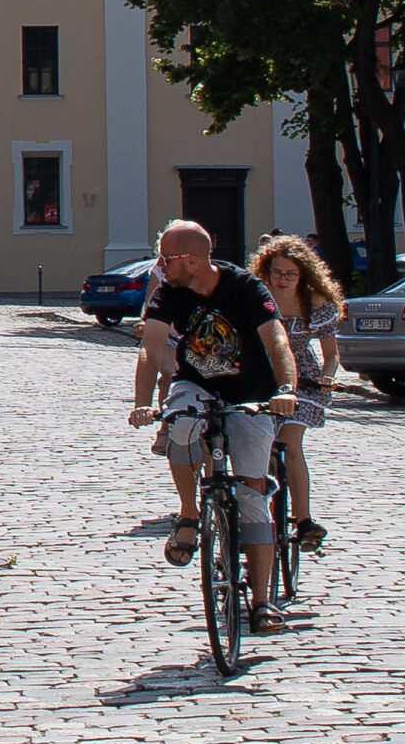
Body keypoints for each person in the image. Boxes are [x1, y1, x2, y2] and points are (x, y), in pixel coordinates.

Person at [129, 220, 300, 634]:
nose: (160, 266)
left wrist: (286, 388)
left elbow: (277, 340)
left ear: (191, 260)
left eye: (166, 259)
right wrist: (143, 402)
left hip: (251, 392)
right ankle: (189, 514)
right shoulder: (168, 293)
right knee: (181, 425)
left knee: (252, 494)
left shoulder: (245, 288)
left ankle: (261, 602)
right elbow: (151, 348)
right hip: (196, 383)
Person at [252, 233, 343, 553]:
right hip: (262, 377)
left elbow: (331, 355)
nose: (283, 280)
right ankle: (255, 515)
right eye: (277, 273)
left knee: (290, 444)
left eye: (291, 274)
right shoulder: (256, 295)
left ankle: (303, 520)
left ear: (302, 274)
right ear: (266, 270)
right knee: (257, 444)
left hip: (304, 382)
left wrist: (328, 378)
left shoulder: (315, 302)